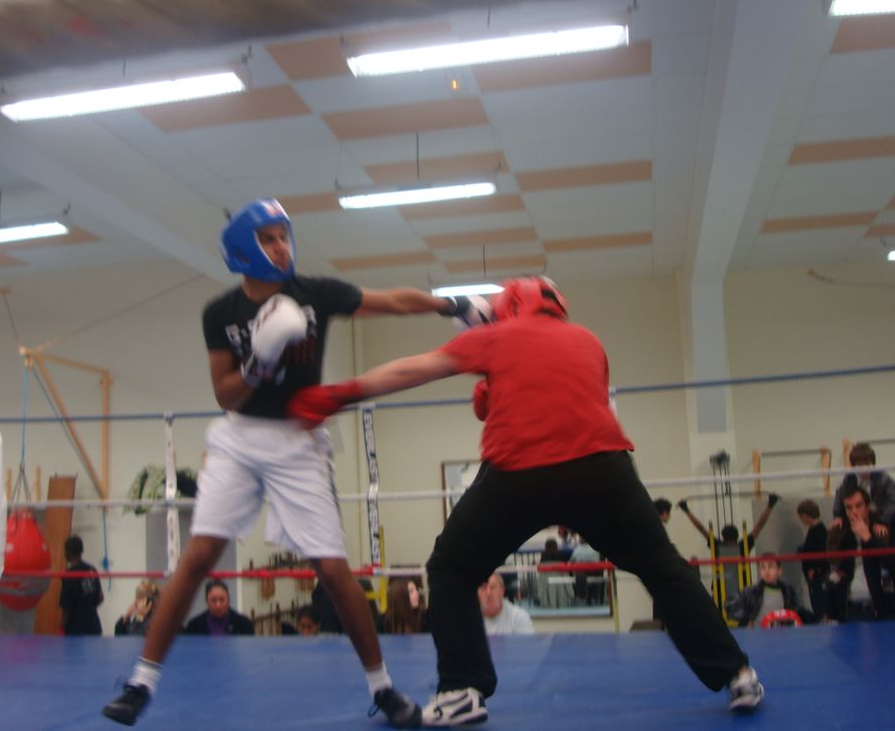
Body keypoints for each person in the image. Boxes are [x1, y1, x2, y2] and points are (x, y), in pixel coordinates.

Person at [288, 275, 764, 726]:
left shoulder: (498, 338)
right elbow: (565, 401)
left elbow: (416, 369)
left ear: (510, 307)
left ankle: (462, 691)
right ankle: (738, 675)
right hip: (603, 470)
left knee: (452, 568)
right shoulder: (590, 342)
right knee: (664, 567)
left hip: (520, 473)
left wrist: (337, 394)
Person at [103, 198, 488, 727]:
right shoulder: (220, 313)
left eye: (285, 235)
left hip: (299, 442)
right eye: (269, 238)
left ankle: (383, 688)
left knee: (332, 568)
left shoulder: (315, 293)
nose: (282, 246)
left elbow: (391, 300)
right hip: (240, 440)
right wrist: (260, 364)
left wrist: (453, 305)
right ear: (244, 250)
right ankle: (140, 683)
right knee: (197, 558)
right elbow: (225, 395)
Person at [677, 494, 780, 603]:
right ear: (736, 538)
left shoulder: (717, 546)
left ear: (723, 538)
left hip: (720, 592)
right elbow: (759, 525)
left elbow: (700, 527)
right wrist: (770, 504)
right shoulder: (743, 546)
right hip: (743, 590)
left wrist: (686, 509)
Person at [825, 485, 893, 621]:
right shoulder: (841, 531)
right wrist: (834, 535)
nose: (854, 512)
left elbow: (891, 564)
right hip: (852, 607)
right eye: (848, 508)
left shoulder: (882, 529)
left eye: (859, 506)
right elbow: (833, 563)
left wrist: (868, 537)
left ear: (868, 507)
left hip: (884, 605)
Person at [724, 554, 806, 628]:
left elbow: (797, 611)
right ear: (759, 571)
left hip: (782, 634)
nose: (766, 571)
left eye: (770, 566)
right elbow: (729, 604)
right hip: (757, 636)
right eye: (762, 567)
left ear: (779, 571)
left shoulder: (789, 591)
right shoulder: (751, 591)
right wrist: (747, 619)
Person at [830, 443, 894, 535]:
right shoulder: (850, 478)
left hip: (882, 517)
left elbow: (892, 502)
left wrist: (882, 521)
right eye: (860, 465)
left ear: (873, 463)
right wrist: (838, 516)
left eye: (867, 464)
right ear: (854, 465)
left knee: (882, 534)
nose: (864, 468)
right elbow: (840, 495)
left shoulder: (883, 478)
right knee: (837, 529)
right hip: (860, 517)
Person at [59, 535, 103, 636]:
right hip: (93, 624)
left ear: (68, 552)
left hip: (76, 628)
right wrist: (89, 608)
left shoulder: (69, 574)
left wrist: (61, 628)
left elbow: (66, 606)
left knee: (74, 652)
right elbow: (100, 597)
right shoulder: (92, 569)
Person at [796, 500, 829, 622]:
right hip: (814, 574)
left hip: (817, 575)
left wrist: (815, 569)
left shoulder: (818, 531)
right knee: (817, 602)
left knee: (819, 603)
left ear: (805, 515)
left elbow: (822, 552)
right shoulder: (815, 530)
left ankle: (823, 620)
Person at [183, 579, 254, 635]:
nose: (218, 605)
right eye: (213, 600)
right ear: (207, 601)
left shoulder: (244, 624)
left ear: (228, 599)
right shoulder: (194, 626)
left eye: (222, 600)